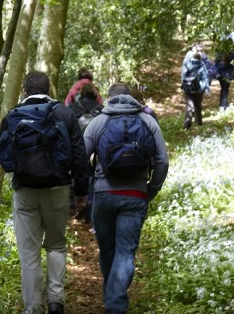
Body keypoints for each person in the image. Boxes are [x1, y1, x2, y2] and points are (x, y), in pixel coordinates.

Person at [0, 71, 90, 314]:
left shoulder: (13, 115)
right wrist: (81, 192)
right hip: (57, 188)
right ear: (49, 91)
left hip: (24, 190)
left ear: (25, 91)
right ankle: (56, 301)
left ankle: (33, 308)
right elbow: (79, 155)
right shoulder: (64, 113)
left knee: (29, 253)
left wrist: (17, 168)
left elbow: (0, 150)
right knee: (56, 245)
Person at [83, 83, 169, 313]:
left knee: (108, 249)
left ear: (109, 98)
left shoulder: (99, 121)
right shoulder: (147, 121)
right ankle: (115, 301)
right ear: (131, 98)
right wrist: (152, 188)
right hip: (135, 194)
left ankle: (112, 300)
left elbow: (81, 156)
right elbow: (162, 160)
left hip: (103, 195)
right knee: (125, 252)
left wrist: (90, 184)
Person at [68, 83, 103, 222]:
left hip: (76, 147)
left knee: (74, 176)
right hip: (96, 150)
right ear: (95, 95)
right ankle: (90, 212)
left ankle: (74, 209)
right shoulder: (102, 110)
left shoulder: (72, 109)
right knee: (93, 177)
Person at [181, 52, 210, 129]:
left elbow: (183, 76)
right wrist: (206, 89)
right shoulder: (202, 65)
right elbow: (205, 77)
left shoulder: (187, 64)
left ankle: (187, 125)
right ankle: (199, 123)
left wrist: (183, 86)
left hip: (188, 88)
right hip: (198, 89)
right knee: (198, 105)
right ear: (200, 58)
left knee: (189, 106)